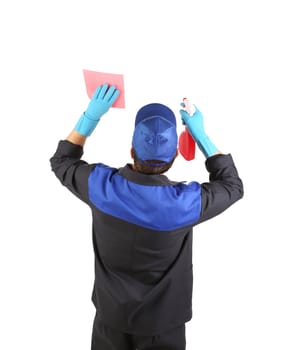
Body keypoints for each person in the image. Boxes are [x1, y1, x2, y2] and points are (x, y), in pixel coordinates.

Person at [50, 83, 244, 350]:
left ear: (132, 150)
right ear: (175, 155)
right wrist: (201, 136)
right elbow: (232, 186)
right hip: (163, 328)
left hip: (110, 322)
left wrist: (91, 117)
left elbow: (62, 161)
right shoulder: (185, 203)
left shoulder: (100, 185)